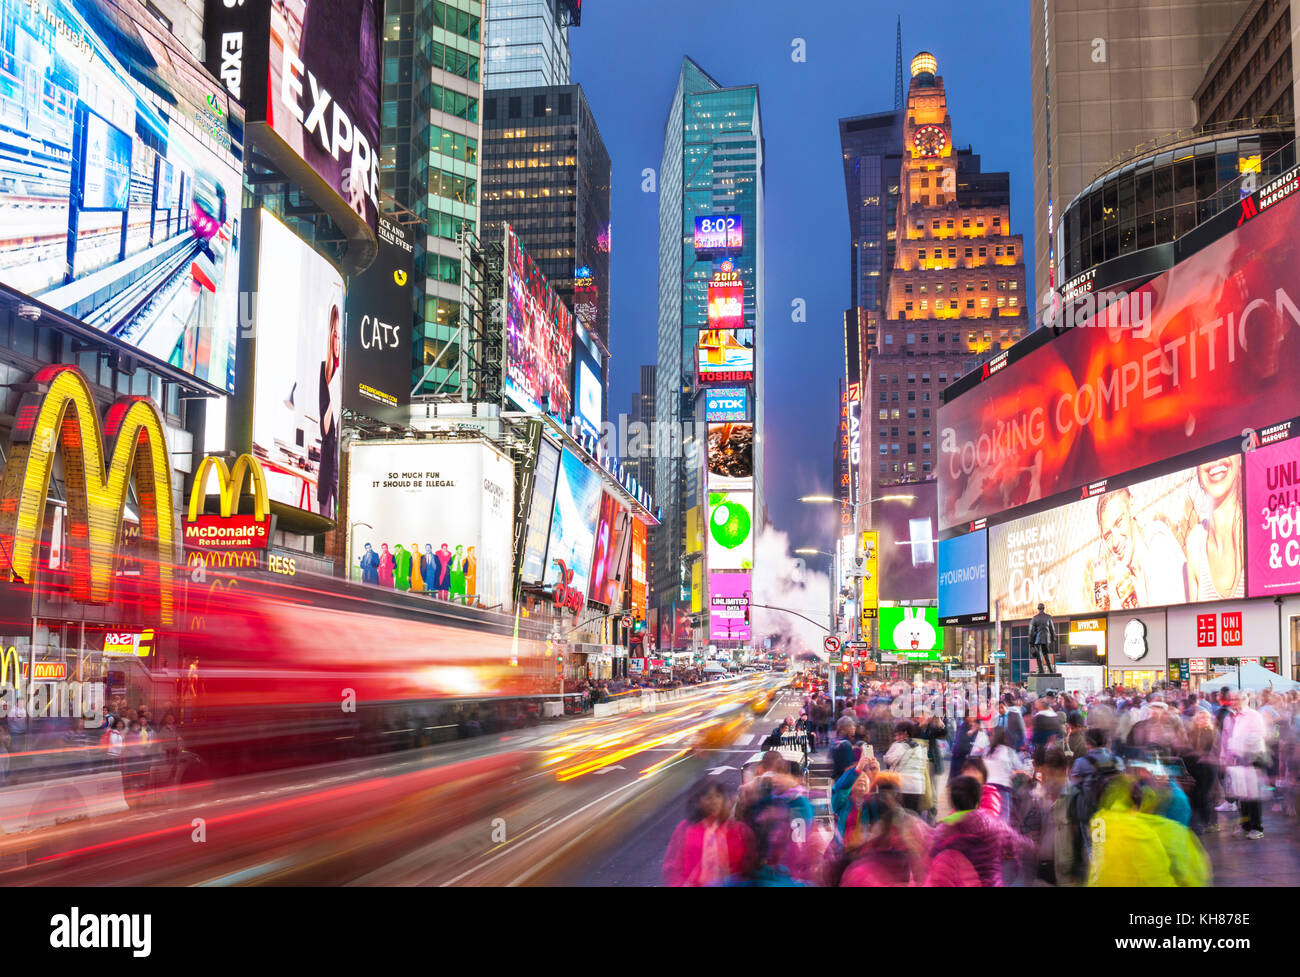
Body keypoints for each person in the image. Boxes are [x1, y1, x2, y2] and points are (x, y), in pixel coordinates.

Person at [1086, 776, 1211, 886]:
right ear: (1137, 804)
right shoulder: (1157, 829)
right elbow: (1186, 873)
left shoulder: (1099, 824)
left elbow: (1097, 873)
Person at [1087, 486, 1188, 610]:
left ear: (1132, 507)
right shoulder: (1125, 577)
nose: (1114, 542)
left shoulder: (1156, 543)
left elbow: (1165, 624)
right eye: (1108, 536)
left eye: (1119, 523)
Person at [926, 775, 1032, 886]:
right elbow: (1021, 844)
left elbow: (931, 857)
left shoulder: (942, 830)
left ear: (952, 802)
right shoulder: (994, 825)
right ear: (978, 800)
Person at [840, 773, 932, 886]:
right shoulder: (881, 822)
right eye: (882, 794)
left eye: (889, 794)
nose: (886, 799)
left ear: (897, 795)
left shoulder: (908, 823)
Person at [662, 779, 753, 886]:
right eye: (709, 797)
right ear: (697, 802)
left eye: (718, 796)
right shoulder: (685, 829)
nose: (714, 801)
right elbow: (672, 867)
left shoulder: (739, 830)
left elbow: (750, 865)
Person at [1185, 456, 1245, 601]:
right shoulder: (1195, 542)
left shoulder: (1263, 527)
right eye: (1206, 447)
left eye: (1227, 443)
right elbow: (1193, 621)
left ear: (1241, 458)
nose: (1216, 457)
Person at [317, 303, 341, 519]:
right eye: (335, 335)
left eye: (340, 336)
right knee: (325, 520)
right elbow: (325, 430)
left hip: (342, 466)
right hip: (328, 463)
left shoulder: (348, 373)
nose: (337, 341)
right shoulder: (326, 372)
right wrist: (335, 396)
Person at [883, 721, 928, 813]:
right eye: (895, 735)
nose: (896, 738)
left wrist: (885, 756)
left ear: (906, 734)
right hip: (917, 786)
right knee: (914, 814)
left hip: (904, 786)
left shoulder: (901, 745)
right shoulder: (919, 747)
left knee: (901, 815)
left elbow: (889, 759)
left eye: (899, 734)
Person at [1029, 603, 1057, 674]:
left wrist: (1031, 641)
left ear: (1038, 609)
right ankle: (1051, 670)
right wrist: (1053, 638)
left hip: (1038, 639)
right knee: (1046, 654)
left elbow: (1031, 631)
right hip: (1046, 639)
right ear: (1043, 608)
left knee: (1039, 655)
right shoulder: (1048, 617)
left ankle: (1041, 671)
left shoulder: (1035, 618)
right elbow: (1052, 629)